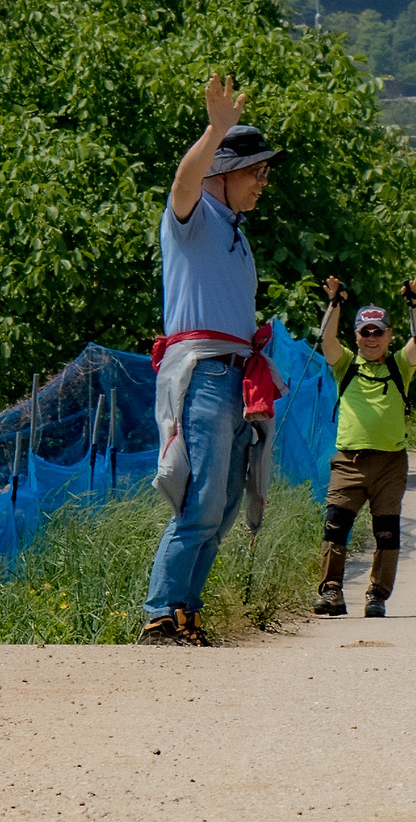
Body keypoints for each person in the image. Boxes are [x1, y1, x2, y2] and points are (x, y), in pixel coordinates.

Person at [140, 75, 284, 648]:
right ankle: (159, 612)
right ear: (221, 174)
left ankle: (186, 613)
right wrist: (215, 129)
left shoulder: (237, 236)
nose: (262, 183)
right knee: (199, 500)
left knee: (222, 504)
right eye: (256, 171)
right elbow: (181, 181)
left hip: (235, 378)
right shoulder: (193, 217)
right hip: (202, 376)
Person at [314, 274, 416, 619]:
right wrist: (335, 303)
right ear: (357, 336)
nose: (372, 338)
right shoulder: (346, 365)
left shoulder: (398, 367)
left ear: (390, 335)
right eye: (365, 332)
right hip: (348, 461)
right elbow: (327, 339)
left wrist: (415, 304)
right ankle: (331, 592)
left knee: (386, 531)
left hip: (391, 463)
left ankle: (377, 595)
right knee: (335, 525)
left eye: (379, 331)